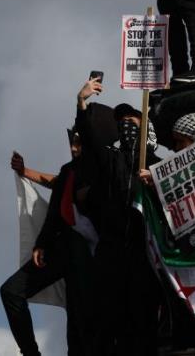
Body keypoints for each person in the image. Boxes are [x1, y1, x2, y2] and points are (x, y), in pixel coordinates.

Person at [75, 78, 161, 356]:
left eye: (132, 121)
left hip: (143, 251)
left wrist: (153, 183)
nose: (126, 125)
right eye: (120, 121)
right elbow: (88, 137)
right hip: (111, 250)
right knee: (106, 319)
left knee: (141, 320)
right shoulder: (110, 159)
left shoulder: (157, 164)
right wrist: (82, 102)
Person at [0, 129, 97, 356]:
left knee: (79, 327)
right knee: (11, 291)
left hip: (90, 257)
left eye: (78, 143)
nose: (73, 148)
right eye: (72, 143)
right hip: (62, 250)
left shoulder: (106, 168)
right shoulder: (68, 171)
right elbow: (57, 184)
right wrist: (24, 171)